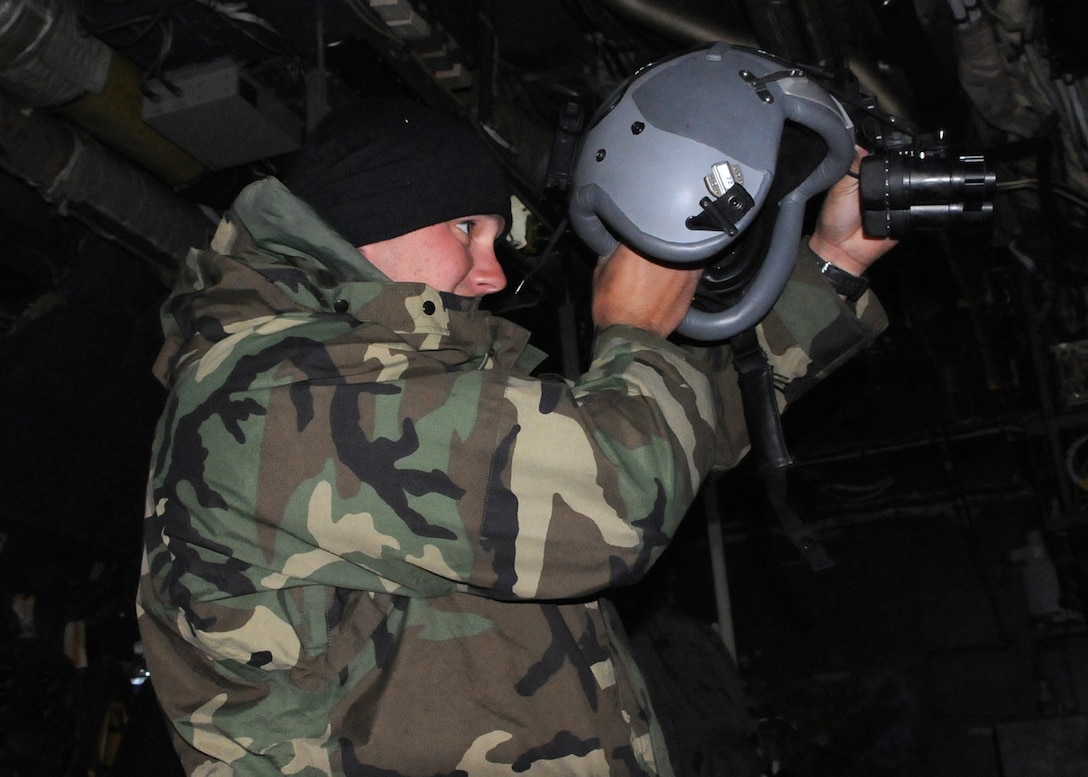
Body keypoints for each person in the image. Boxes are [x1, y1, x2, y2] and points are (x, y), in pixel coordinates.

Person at [136, 96, 892, 776]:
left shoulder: (382, 390)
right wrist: (636, 331)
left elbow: (672, 427)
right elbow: (613, 495)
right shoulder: (275, 393)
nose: (492, 275)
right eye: (466, 228)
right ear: (366, 221)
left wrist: (832, 260)